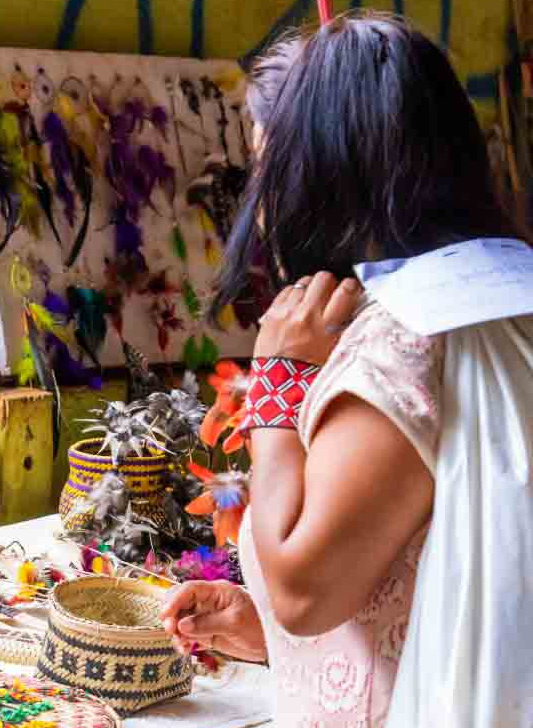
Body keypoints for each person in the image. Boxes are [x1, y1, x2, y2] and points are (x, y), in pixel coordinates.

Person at [161, 13, 532, 728]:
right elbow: (452, 577)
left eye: (268, 166)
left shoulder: (406, 338)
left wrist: (277, 385)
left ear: (322, 171)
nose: (262, 200)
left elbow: (304, 592)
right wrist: (267, 636)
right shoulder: (507, 297)